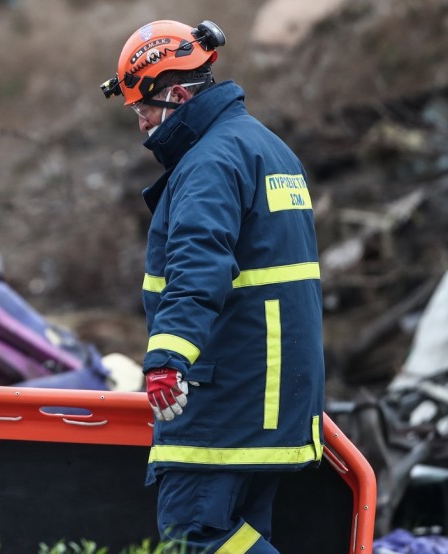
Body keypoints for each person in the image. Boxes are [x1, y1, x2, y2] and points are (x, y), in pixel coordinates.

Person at [100, 20, 325, 552]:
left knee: (193, 535)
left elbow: (198, 266)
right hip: (274, 396)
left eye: (144, 109)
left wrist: (166, 361)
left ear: (178, 94)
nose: (142, 125)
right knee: (238, 536)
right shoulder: (269, 150)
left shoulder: (210, 163)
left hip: (228, 400)